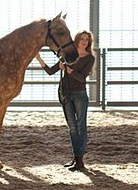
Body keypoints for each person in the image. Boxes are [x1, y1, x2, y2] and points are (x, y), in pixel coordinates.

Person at [35, 30, 95, 171]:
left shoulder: (89, 58)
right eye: (82, 39)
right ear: (77, 40)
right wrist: (39, 59)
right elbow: (50, 71)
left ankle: (80, 161)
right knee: (72, 128)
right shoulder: (67, 56)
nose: (84, 41)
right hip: (65, 94)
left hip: (79, 94)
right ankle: (76, 158)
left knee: (81, 127)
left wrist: (69, 70)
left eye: (87, 39)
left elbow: (82, 78)